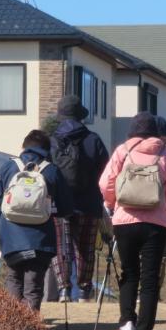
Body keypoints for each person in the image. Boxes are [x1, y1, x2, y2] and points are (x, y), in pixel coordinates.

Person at [99, 112, 166, 330]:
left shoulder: (122, 151)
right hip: (156, 222)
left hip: (124, 220)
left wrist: (114, 201)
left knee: (129, 273)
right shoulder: (165, 152)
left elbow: (104, 183)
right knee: (149, 280)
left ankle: (126, 323)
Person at [0, 130, 74, 310]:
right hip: (40, 239)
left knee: (14, 278)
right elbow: (66, 208)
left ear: (24, 147)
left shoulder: (9, 167)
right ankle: (30, 329)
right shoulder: (51, 170)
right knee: (33, 286)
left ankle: (14, 328)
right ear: (47, 149)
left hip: (11, 237)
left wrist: (0, 227)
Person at [50, 95, 109, 302]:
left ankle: (64, 289)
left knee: (61, 246)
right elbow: (106, 171)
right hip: (89, 203)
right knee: (85, 248)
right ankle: (84, 290)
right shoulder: (94, 139)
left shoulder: (53, 140)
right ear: (80, 115)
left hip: (59, 203)